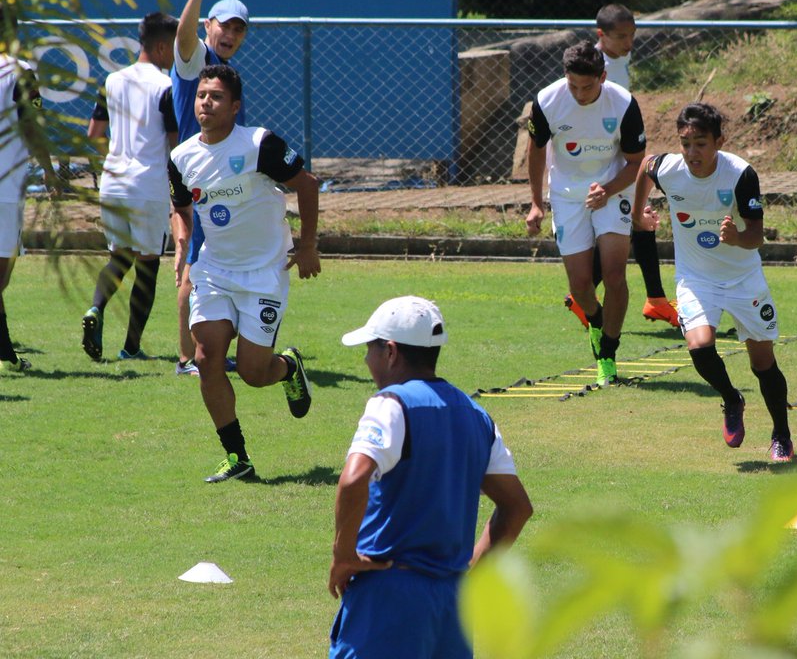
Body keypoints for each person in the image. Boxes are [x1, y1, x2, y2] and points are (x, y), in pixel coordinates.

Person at [328, 295, 533, 659]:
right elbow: (516, 508)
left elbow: (353, 479)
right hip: (451, 607)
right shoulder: (476, 415)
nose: (366, 359)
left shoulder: (390, 404)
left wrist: (343, 556)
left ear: (391, 352)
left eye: (370, 348)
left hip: (387, 600)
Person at [167, 64, 320, 483]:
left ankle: (287, 367)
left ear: (235, 107)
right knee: (206, 356)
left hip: (264, 272)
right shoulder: (181, 157)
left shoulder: (258, 144)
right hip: (214, 270)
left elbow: (307, 185)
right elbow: (181, 207)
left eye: (216, 97)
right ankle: (238, 457)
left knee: (254, 372)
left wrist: (307, 246)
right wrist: (182, 240)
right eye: (201, 95)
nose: (205, 103)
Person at [633, 102, 794, 462]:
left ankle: (781, 435)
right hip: (696, 278)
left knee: (763, 363)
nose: (692, 153)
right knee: (700, 346)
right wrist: (638, 213)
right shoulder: (670, 169)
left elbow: (756, 235)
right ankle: (731, 398)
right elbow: (645, 167)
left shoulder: (740, 174)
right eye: (685, 143)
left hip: (742, 278)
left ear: (720, 140)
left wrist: (738, 237)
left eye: (700, 144)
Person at [526, 41, 646, 386]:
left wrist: (607, 189)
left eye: (587, 86)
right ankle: (595, 320)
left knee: (614, 275)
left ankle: (607, 354)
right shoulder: (547, 100)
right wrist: (536, 202)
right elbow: (536, 152)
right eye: (573, 85)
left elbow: (635, 161)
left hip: (612, 190)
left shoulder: (623, 102)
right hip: (566, 195)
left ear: (603, 77)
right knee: (580, 288)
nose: (579, 93)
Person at [562, 4, 679, 330]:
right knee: (636, 223)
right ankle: (647, 299)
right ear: (602, 36)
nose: (629, 42)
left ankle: (654, 298)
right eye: (621, 36)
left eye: (632, 35)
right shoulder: (596, 70)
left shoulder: (616, 59)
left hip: (622, 158)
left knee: (639, 222)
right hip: (601, 168)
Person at [82, 12, 180, 361]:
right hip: (147, 184)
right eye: (173, 47)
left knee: (119, 256)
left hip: (113, 181)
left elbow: (93, 134)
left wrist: (116, 157)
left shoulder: (112, 80)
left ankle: (95, 309)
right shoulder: (165, 86)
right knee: (148, 265)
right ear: (160, 46)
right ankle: (131, 347)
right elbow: (175, 141)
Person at [171, 0, 249, 377]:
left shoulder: (226, 71)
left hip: (216, 177)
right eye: (224, 25)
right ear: (208, 26)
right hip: (196, 177)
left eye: (238, 28)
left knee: (207, 261)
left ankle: (202, 350)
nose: (231, 34)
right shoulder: (196, 59)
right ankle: (187, 359)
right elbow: (182, 38)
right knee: (195, 265)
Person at [0, 51, 53, 372]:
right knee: (2, 278)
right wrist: (48, 168)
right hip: (5, 186)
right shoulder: (21, 71)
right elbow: (32, 122)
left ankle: (6, 354)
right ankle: (6, 356)